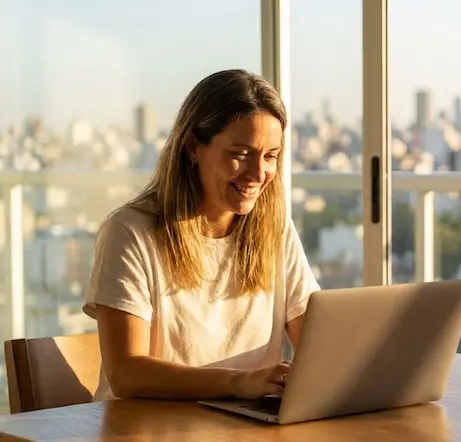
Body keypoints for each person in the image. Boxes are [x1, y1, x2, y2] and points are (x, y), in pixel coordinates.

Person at [83, 69, 320, 401]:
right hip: (144, 430)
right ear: (193, 147)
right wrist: (242, 383)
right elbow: (127, 374)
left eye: (271, 157)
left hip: (242, 431)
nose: (258, 174)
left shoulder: (274, 229)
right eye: (240, 155)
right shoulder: (130, 232)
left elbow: (319, 346)